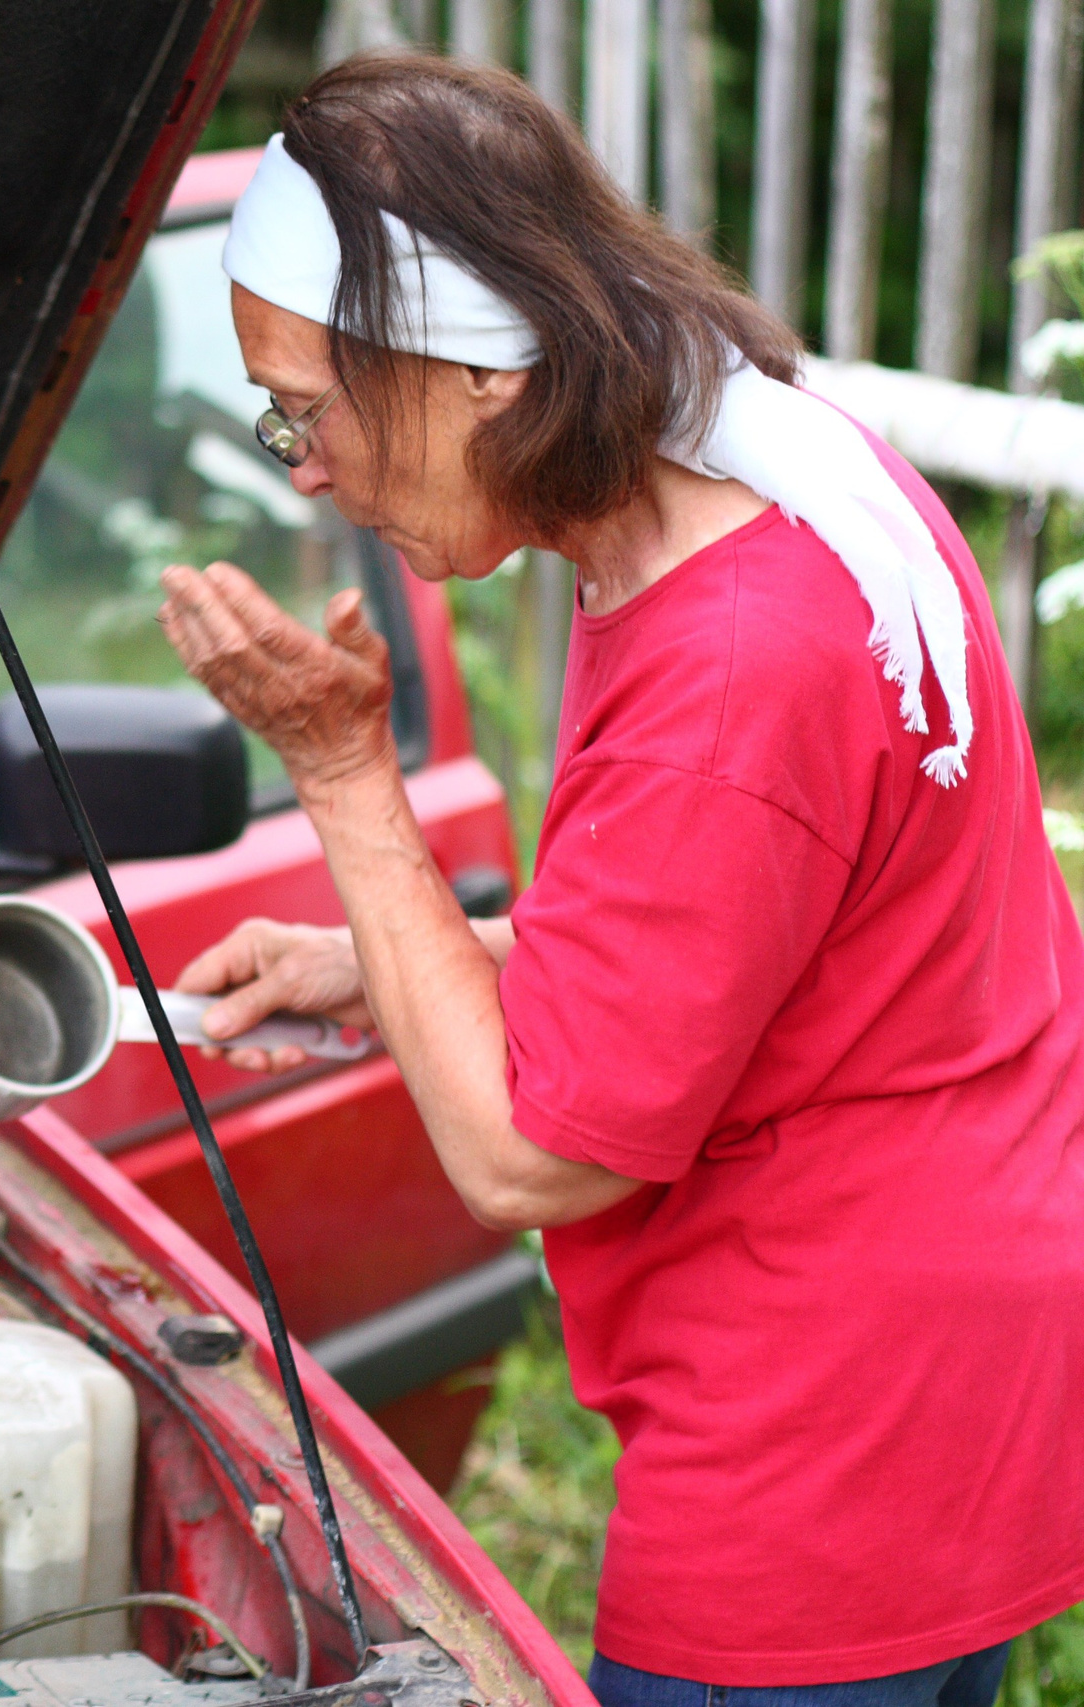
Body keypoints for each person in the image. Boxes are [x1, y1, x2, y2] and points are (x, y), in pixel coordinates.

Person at [157, 52, 1084, 1707]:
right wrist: (400, 962)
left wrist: (346, 774)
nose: (298, 463)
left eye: (306, 404)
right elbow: (765, 932)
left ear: (476, 373)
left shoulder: (729, 661)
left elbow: (532, 1161)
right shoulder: (776, 468)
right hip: (961, 1377)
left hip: (818, 1446)